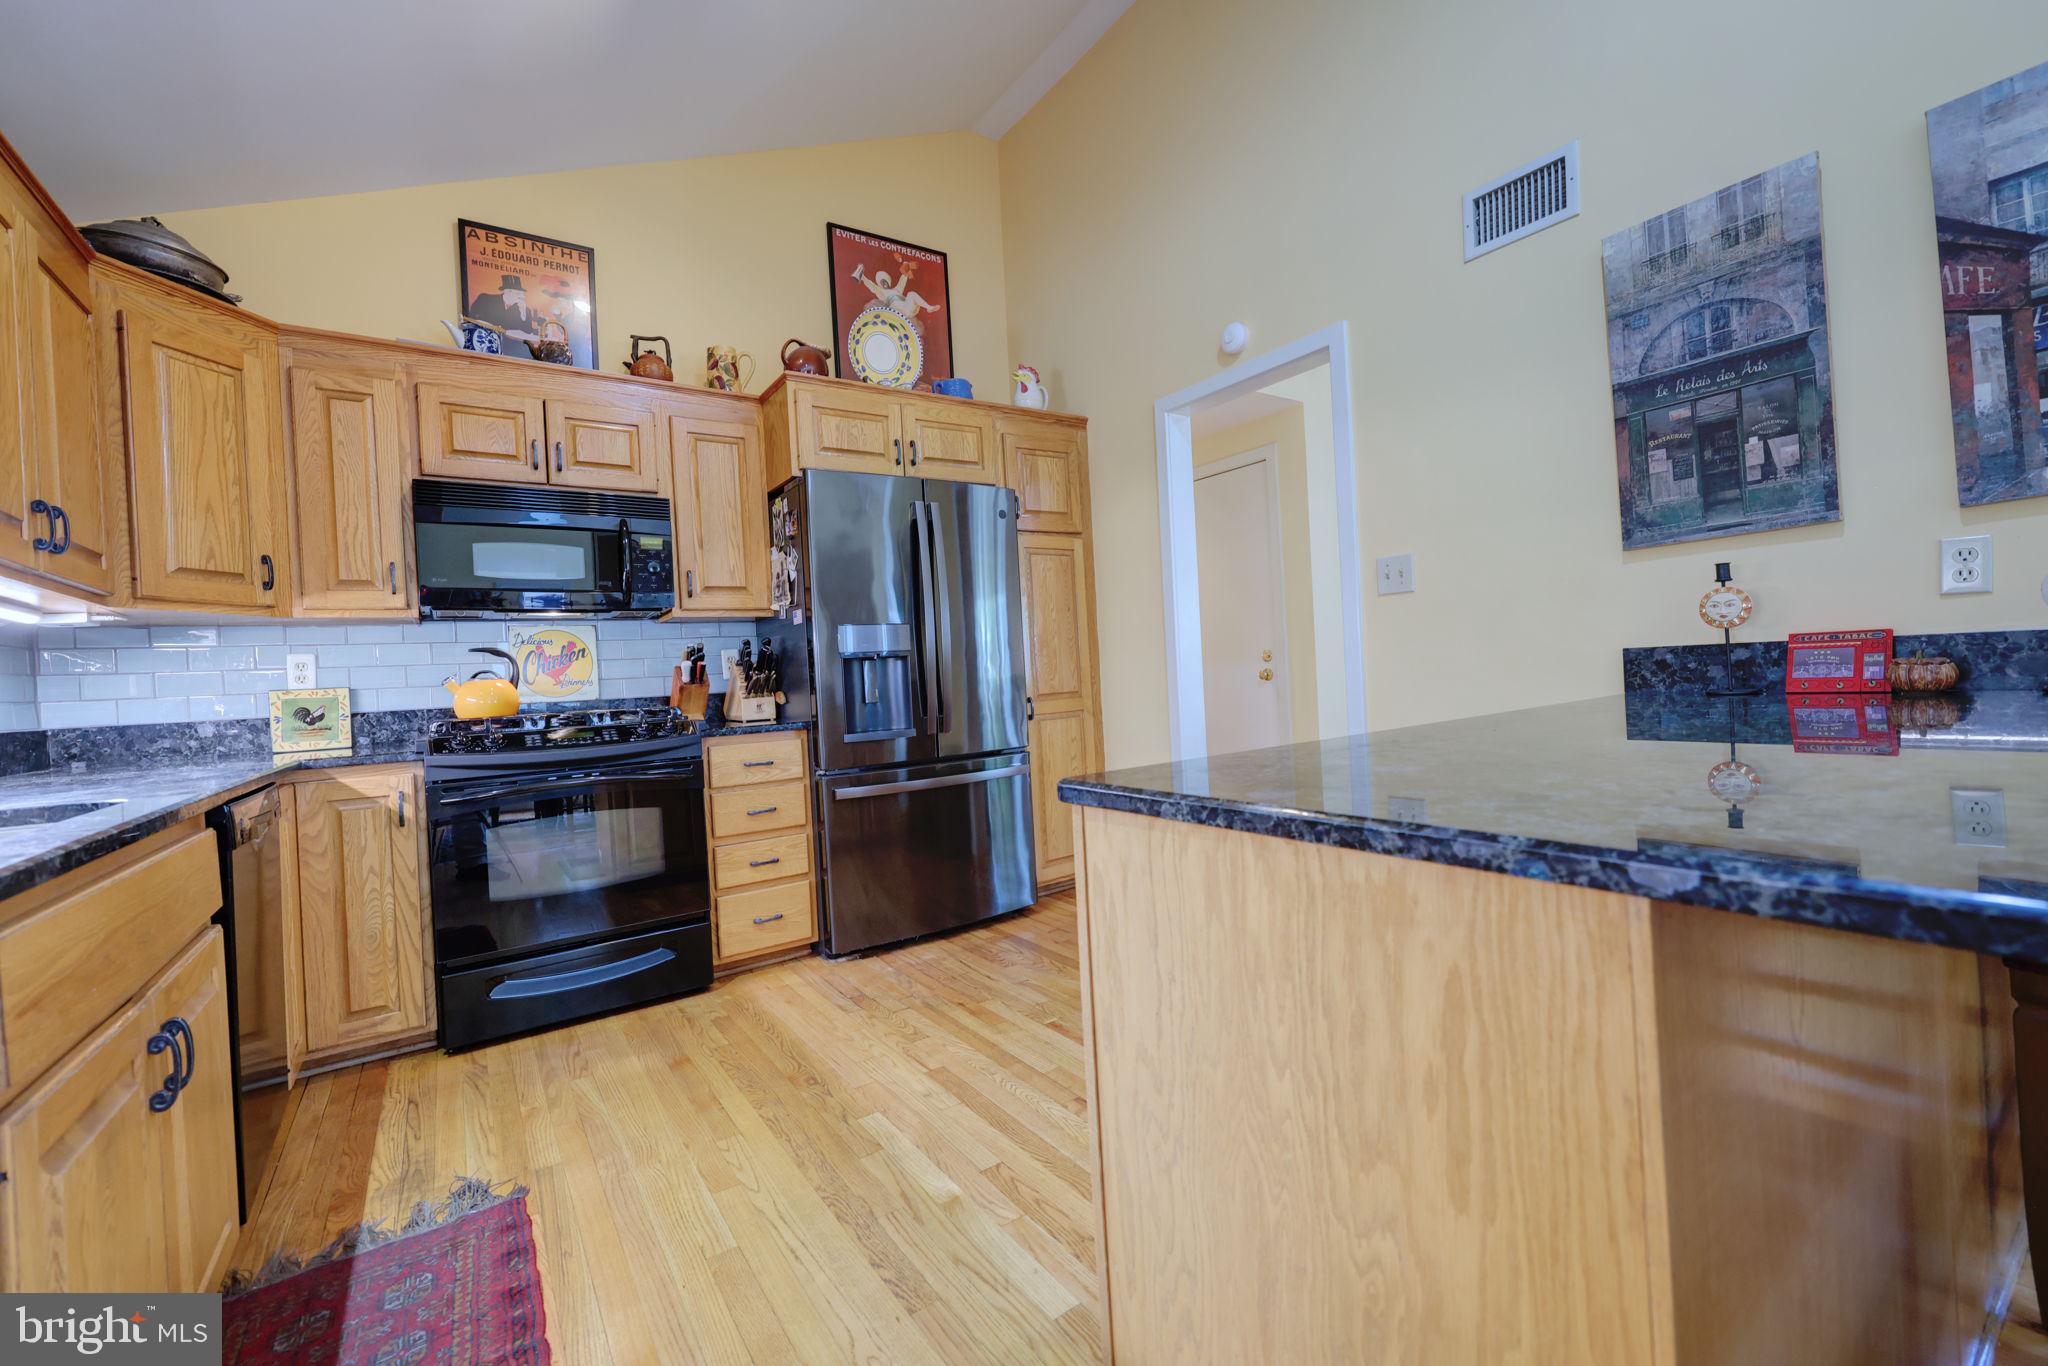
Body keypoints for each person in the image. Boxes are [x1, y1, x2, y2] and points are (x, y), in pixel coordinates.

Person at [467, 273, 540, 356]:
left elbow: (527, 332)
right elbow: (474, 317)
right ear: (506, 292)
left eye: (519, 294)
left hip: (512, 347)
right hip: (487, 342)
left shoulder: (525, 309)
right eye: (515, 293)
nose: (519, 297)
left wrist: (523, 314)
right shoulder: (486, 299)